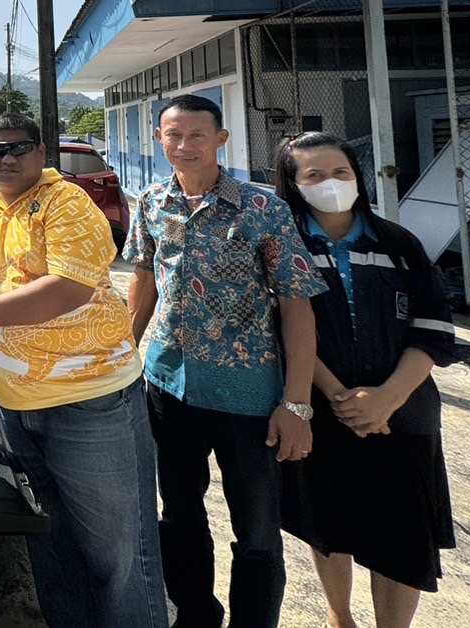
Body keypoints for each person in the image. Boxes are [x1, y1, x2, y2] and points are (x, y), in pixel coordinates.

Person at [0, 113, 167, 628]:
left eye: (19, 148)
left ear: (41, 154)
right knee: (51, 538)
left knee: (119, 553)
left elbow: (69, 288)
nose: (7, 158)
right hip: (16, 402)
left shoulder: (67, 203)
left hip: (88, 401)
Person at [126, 94, 327, 628]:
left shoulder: (263, 209)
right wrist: (125, 356)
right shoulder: (151, 203)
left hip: (250, 398)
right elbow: (144, 283)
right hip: (169, 389)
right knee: (180, 516)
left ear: (221, 139)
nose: (184, 145)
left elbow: (296, 306)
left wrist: (298, 403)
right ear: (159, 140)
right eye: (174, 135)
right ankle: (195, 615)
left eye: (197, 135)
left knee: (258, 532)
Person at [274, 132, 461, 628]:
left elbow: (434, 329)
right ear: (294, 185)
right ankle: (340, 617)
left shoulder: (398, 245)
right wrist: (339, 398)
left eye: (341, 173)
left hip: (401, 414)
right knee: (325, 523)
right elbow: (281, 329)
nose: (330, 184)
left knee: (402, 533)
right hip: (320, 410)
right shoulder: (282, 247)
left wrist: (388, 399)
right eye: (313, 175)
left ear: (358, 177)